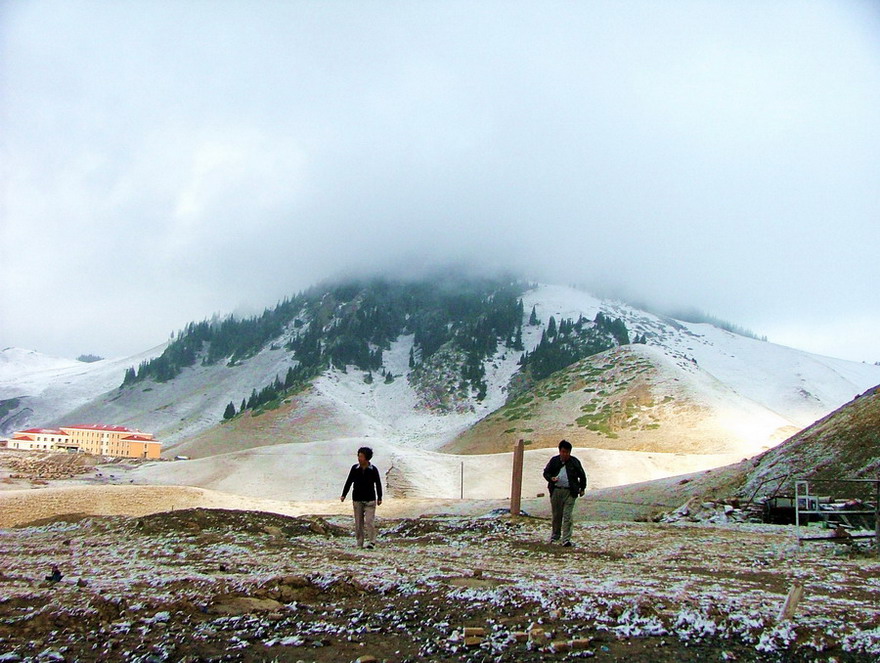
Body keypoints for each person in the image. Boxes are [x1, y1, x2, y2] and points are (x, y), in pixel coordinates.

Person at [542, 439, 587, 547]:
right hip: (556, 490)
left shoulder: (575, 462)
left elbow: (582, 476)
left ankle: (566, 539)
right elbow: (546, 473)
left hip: (570, 492)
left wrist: (582, 488)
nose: (565, 454)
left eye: (567, 452)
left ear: (570, 452)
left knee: (567, 516)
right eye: (563, 452)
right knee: (557, 515)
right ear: (559, 451)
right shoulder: (554, 461)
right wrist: (551, 479)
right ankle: (555, 536)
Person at [340, 446, 383, 549]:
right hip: (357, 499)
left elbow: (378, 483)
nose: (359, 458)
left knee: (369, 521)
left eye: (361, 456)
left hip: (370, 500)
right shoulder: (354, 469)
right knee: (358, 523)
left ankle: (372, 542)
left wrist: (380, 497)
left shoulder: (373, 470)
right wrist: (344, 494)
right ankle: (359, 542)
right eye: (358, 456)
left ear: (367, 458)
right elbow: (349, 481)